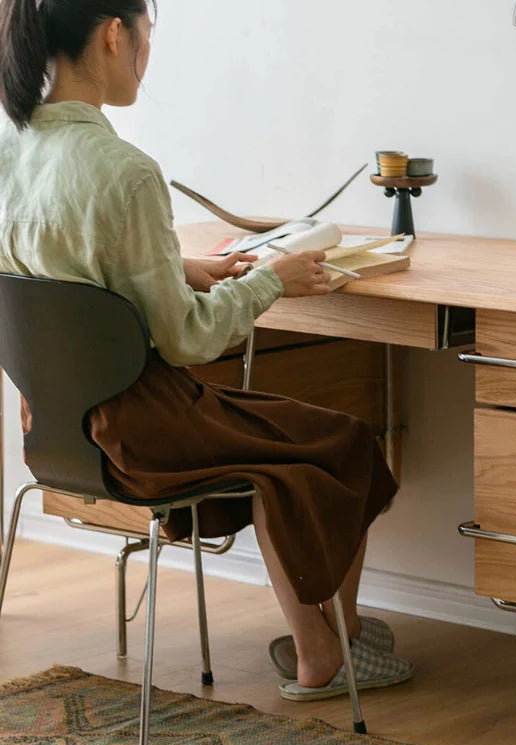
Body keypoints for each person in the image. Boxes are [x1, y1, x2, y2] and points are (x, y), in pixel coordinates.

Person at [0, 0, 413, 700]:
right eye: (147, 34)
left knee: (288, 450)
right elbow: (187, 340)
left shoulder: (13, 154)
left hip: (58, 428)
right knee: (340, 443)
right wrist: (271, 284)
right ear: (113, 34)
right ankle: (327, 651)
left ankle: (327, 643)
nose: (146, 54)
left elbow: (61, 281)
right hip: (145, 426)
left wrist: (180, 270)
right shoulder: (126, 171)